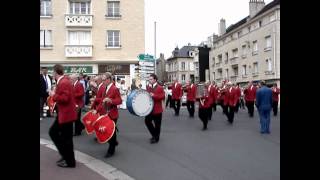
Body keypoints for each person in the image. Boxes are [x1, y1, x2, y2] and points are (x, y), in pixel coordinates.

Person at [48, 64, 77, 168]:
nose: (52, 74)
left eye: (52, 72)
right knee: (56, 133)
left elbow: (65, 99)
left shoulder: (63, 82)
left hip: (66, 115)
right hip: (64, 114)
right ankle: (66, 155)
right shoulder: (63, 81)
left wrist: (53, 95)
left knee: (65, 138)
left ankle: (70, 161)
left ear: (55, 72)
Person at [95, 72, 122, 158]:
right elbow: (102, 101)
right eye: (102, 80)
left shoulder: (114, 89)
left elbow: (120, 101)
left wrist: (111, 101)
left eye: (104, 80)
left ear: (109, 79)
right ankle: (113, 142)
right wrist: (97, 110)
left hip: (112, 114)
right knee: (106, 131)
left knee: (111, 133)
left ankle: (111, 150)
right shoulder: (103, 88)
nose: (102, 82)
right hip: (104, 114)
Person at [145, 74, 165, 143]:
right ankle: (154, 134)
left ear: (155, 80)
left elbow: (162, 97)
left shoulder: (160, 87)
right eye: (149, 79)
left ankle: (156, 138)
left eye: (151, 79)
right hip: (149, 109)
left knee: (157, 125)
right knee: (147, 121)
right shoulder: (148, 87)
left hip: (157, 109)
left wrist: (154, 95)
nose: (149, 80)